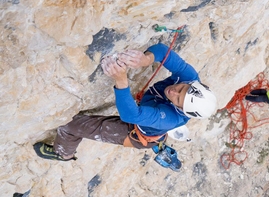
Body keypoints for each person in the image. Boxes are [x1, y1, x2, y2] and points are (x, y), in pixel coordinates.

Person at [33, 43, 217, 163]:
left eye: (177, 98)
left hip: (134, 132)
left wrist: (121, 80)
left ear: (180, 109)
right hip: (146, 120)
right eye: (181, 87)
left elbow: (131, 115)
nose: (174, 91)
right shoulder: (191, 79)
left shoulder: (169, 119)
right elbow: (164, 52)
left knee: (69, 126)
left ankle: (63, 154)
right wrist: (146, 59)